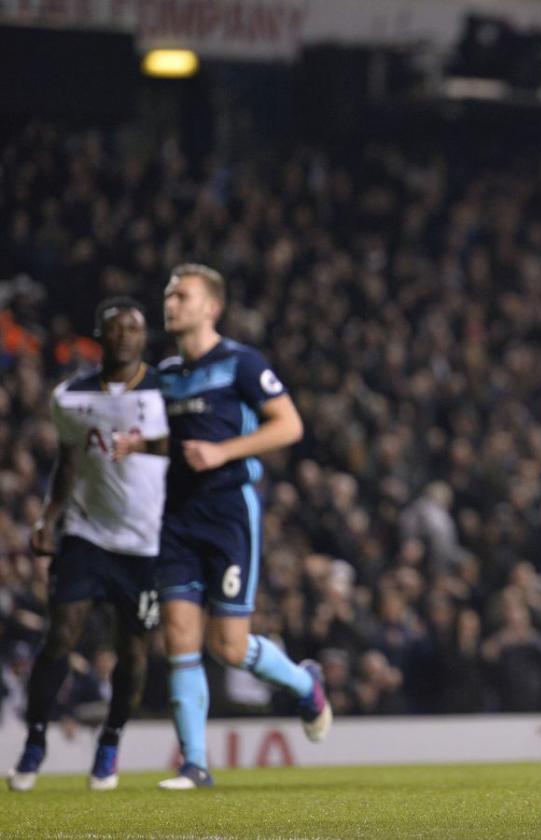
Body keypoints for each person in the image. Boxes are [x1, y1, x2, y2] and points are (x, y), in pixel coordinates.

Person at [154, 264, 330, 789]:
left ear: (211, 307)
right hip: (177, 518)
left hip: (230, 513)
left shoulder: (241, 363)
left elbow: (289, 424)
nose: (171, 302)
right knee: (179, 638)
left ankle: (304, 684)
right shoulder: (165, 373)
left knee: (227, 647)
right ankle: (194, 765)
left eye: (182, 295)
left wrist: (222, 452)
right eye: (168, 294)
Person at [7, 298, 168, 792]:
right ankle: (35, 741)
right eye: (116, 329)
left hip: (144, 543)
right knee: (62, 632)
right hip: (87, 533)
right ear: (99, 334)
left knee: (133, 653)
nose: (124, 336)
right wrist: (48, 517)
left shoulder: (166, 391)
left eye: (134, 329)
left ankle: (110, 742)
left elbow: (180, 449)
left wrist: (142, 444)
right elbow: (70, 463)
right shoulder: (70, 397)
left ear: (145, 337)